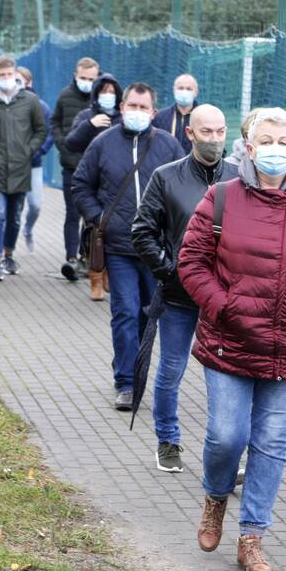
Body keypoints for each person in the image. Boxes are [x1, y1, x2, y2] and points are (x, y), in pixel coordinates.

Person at [179, 107, 286, 571]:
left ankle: (252, 535)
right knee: (227, 435)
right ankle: (215, 497)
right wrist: (224, 307)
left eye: (284, 141)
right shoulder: (222, 198)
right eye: (266, 140)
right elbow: (191, 262)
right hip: (229, 342)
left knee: (271, 443)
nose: (275, 149)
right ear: (249, 148)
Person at [131, 104, 236, 472]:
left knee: (226, 376)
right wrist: (170, 270)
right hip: (179, 296)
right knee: (172, 369)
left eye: (220, 131)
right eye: (206, 132)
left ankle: (225, 451)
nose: (214, 139)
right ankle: (167, 440)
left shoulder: (240, 178)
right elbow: (142, 232)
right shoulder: (166, 177)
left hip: (226, 299)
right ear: (189, 134)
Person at [73, 83, 183, 410]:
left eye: (143, 107)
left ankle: (136, 370)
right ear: (122, 108)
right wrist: (99, 218)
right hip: (119, 247)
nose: (137, 112)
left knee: (148, 316)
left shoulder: (168, 146)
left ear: (153, 111)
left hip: (156, 248)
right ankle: (126, 382)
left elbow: (181, 189)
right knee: (124, 312)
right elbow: (81, 185)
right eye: (131, 106)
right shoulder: (102, 144)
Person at [0, 55, 49, 281]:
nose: (6, 79)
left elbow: (41, 129)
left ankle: (9, 253)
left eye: (10, 74)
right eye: (2, 75)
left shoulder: (29, 101)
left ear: (15, 74)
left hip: (21, 168)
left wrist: (28, 150)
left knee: (15, 217)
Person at [67, 73, 125, 301]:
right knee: (93, 232)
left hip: (119, 184)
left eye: (112, 92)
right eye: (104, 92)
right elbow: (71, 143)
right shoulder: (86, 115)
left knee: (116, 230)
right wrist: (89, 126)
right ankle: (95, 278)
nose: (108, 96)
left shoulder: (123, 118)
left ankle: (111, 272)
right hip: (93, 183)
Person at [51, 57, 101, 282]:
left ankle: (85, 255)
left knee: (91, 217)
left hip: (96, 170)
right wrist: (64, 146)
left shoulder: (103, 100)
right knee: (73, 213)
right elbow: (55, 123)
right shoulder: (65, 96)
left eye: (92, 79)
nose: (87, 82)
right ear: (75, 75)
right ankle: (71, 257)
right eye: (83, 78)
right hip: (71, 166)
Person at [15, 66, 55, 254]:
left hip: (34, 165)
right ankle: (8, 248)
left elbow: (49, 133)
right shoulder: (7, 105)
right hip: (12, 166)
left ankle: (28, 230)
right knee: (13, 208)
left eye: (22, 80)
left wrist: (38, 152)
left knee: (35, 205)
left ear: (29, 82)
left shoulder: (42, 107)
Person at [152, 74, 199, 154]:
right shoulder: (160, 117)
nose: (184, 92)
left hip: (195, 165)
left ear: (196, 92)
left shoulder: (204, 117)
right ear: (174, 90)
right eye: (181, 88)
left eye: (189, 89)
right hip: (166, 164)